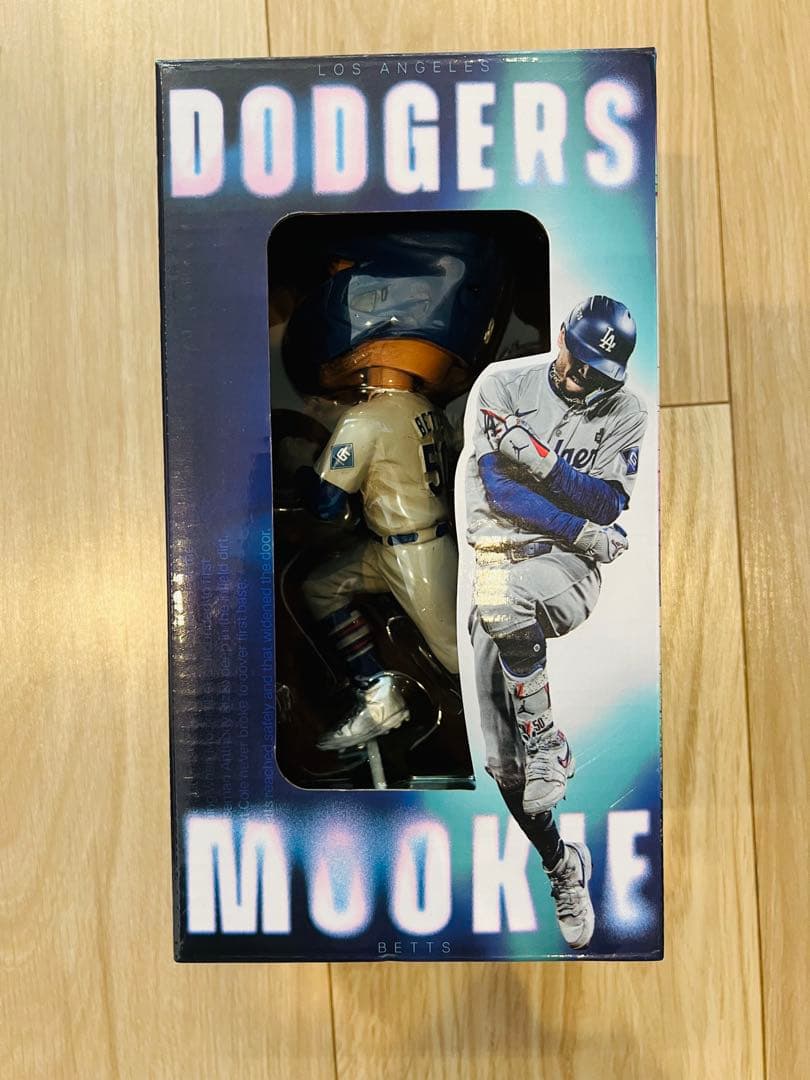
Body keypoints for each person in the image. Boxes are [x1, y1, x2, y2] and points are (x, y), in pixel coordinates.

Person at [464, 295, 647, 949]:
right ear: (562, 334)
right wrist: (577, 520)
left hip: (565, 571)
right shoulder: (504, 386)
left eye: (598, 369)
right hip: (498, 568)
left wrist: (541, 462)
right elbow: (499, 488)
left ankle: (547, 741)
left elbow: (608, 502)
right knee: (509, 775)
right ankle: (562, 866)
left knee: (509, 599)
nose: (580, 374)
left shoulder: (625, 411)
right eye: (578, 355)